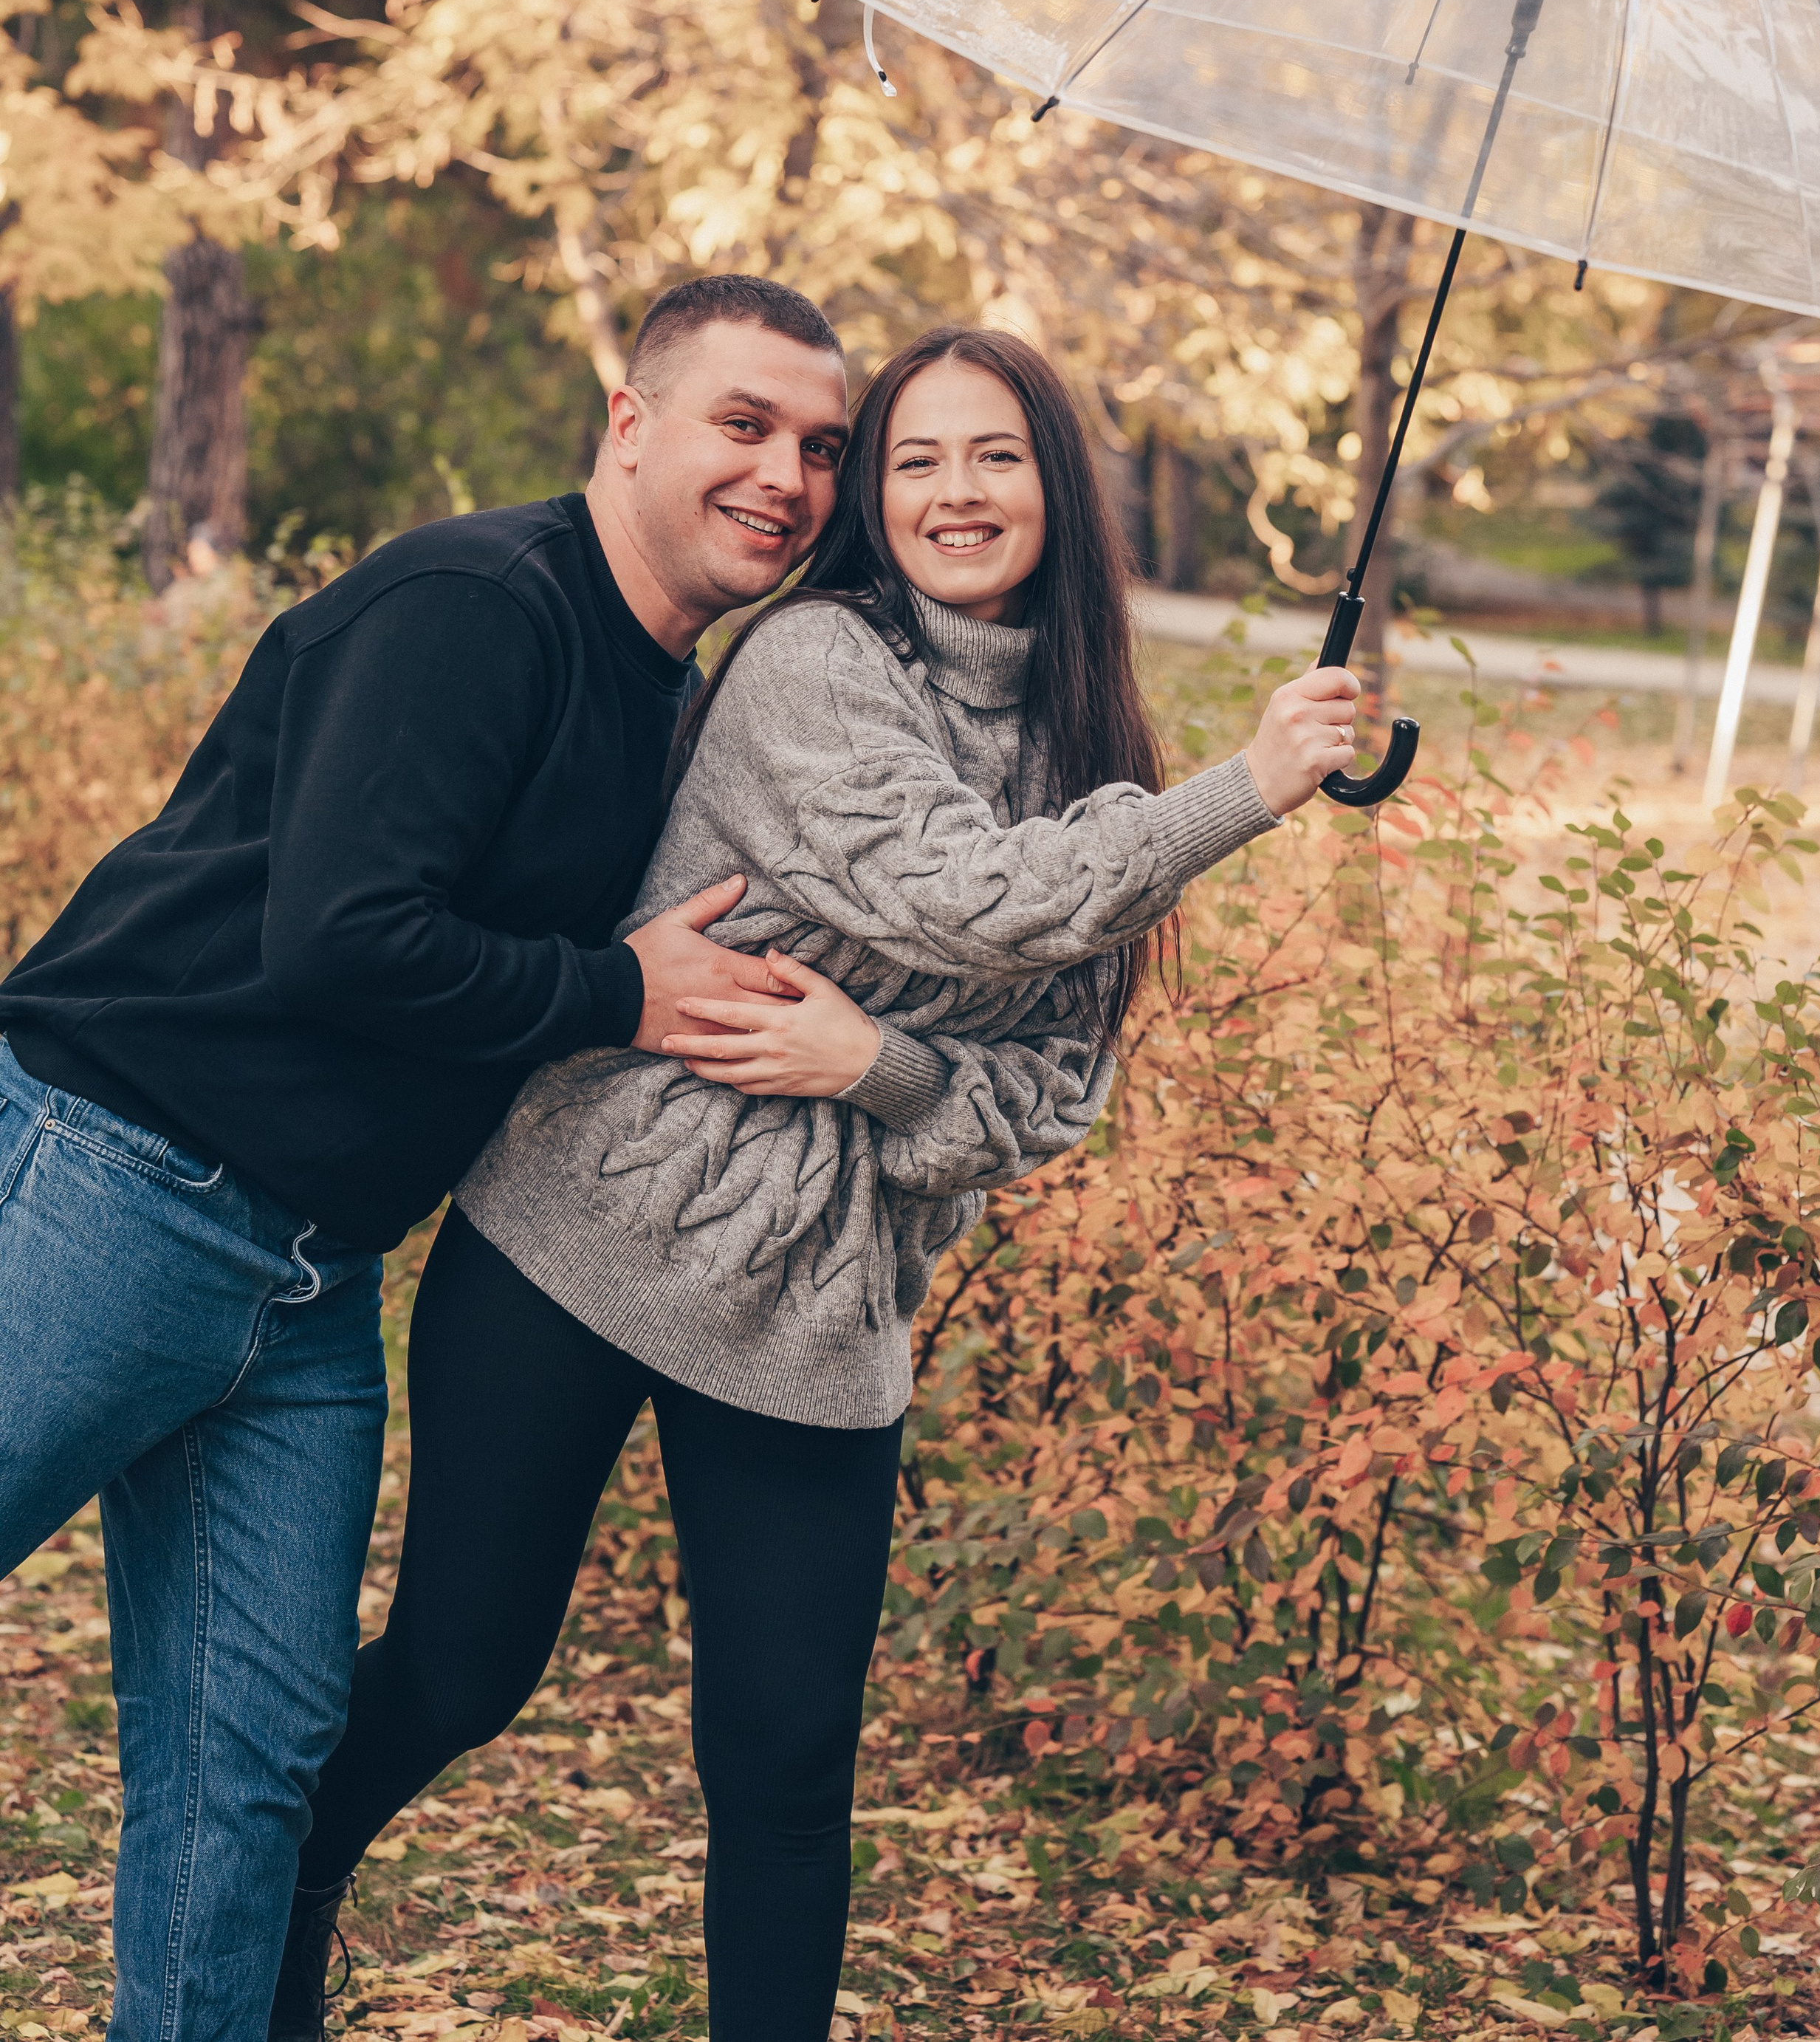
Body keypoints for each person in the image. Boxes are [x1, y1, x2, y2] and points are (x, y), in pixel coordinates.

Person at [276, 323, 1361, 2042]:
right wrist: (1244, 789)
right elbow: (973, 898)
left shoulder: (1088, 753)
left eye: (989, 455)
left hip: (822, 1306)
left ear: (1052, 487)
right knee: (464, 1672)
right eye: (910, 458)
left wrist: (879, 1068)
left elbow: (1053, 1088)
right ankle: (276, 1904)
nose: (948, 492)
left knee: (785, 1757)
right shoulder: (810, 664)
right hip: (581, 1233)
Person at [0, 275, 899, 2042]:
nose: (787, 476)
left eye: (818, 447)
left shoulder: (670, 683)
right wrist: (618, 990)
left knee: (246, 1779)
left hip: (312, 1281)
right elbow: (339, 938)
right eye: (743, 424)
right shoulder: (477, 603)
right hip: (114, 1182)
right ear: (627, 420)